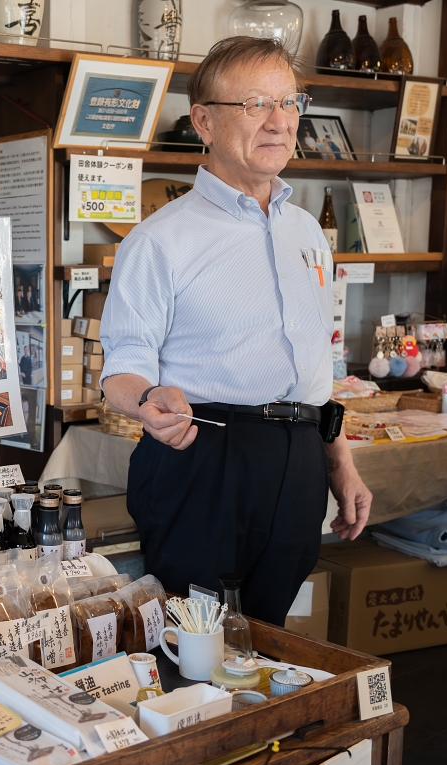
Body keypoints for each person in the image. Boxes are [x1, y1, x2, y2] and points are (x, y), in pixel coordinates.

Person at [99, 37, 371, 625]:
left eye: (290, 102)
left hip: (299, 457)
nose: (279, 121)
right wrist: (148, 400)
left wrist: (339, 465)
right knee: (190, 640)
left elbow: (315, 373)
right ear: (204, 120)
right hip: (204, 454)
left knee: (274, 636)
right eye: (254, 104)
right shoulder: (159, 240)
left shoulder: (307, 232)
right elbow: (120, 369)